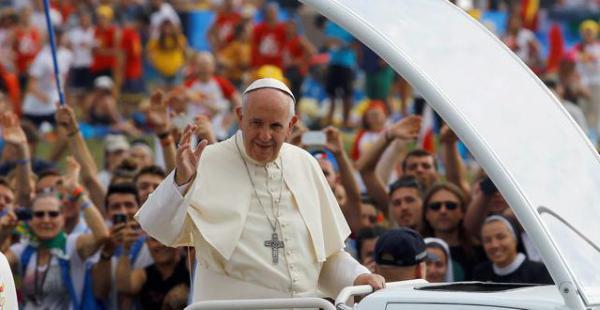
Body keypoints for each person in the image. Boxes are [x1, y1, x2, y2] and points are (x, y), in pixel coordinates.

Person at [136, 78, 385, 302]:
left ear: (291, 125)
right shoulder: (207, 160)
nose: (265, 135)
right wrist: (181, 182)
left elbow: (327, 257)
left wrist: (358, 277)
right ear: (240, 116)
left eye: (276, 126)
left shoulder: (305, 163)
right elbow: (157, 229)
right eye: (256, 123)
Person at [473, 215, 553, 284]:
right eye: (487, 240)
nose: (494, 245)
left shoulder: (539, 272)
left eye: (501, 237)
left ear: (514, 238)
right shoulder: (480, 273)